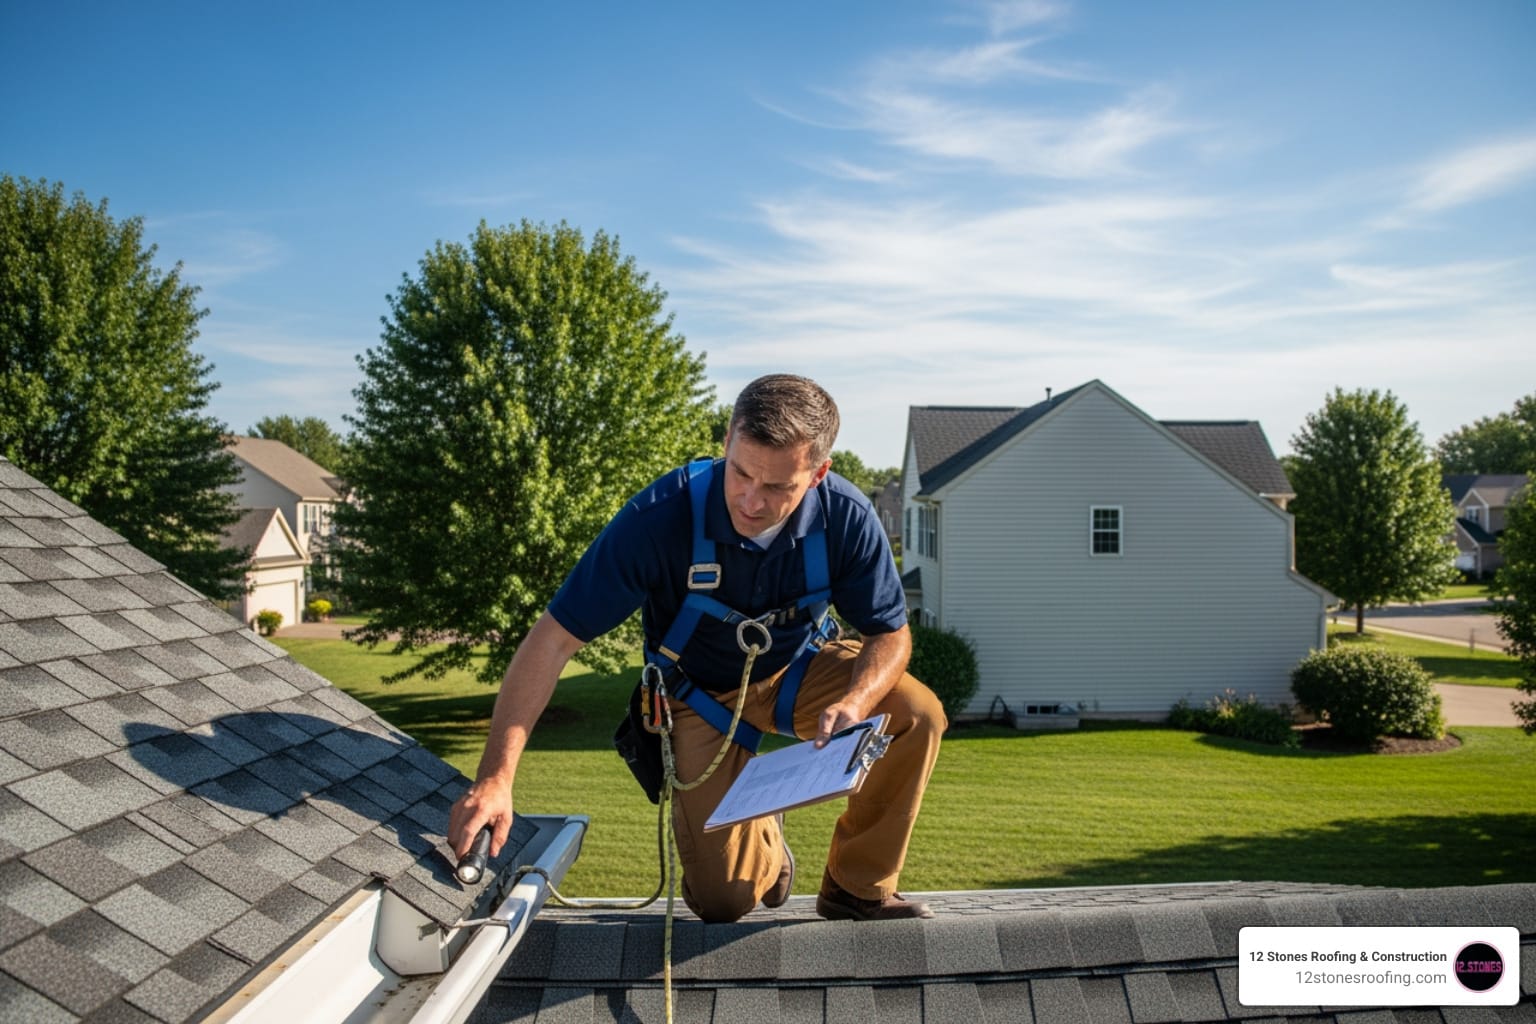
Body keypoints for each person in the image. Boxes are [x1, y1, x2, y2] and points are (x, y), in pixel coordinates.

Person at [448, 374, 946, 922]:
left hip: (796, 671)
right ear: (727, 441)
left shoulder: (846, 517)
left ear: (819, 473)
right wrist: (495, 778)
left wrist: (856, 701)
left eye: (778, 487)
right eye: (740, 472)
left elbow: (889, 633)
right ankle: (767, 841)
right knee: (722, 901)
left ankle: (857, 886)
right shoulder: (658, 519)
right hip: (697, 693)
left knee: (917, 713)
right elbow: (552, 641)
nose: (751, 501)